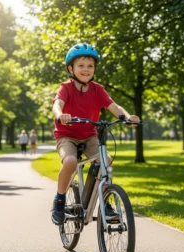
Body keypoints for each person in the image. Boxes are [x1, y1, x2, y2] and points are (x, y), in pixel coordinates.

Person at [51, 42, 140, 225]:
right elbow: (57, 104)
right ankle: (59, 201)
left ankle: (104, 202)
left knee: (105, 161)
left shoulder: (97, 89)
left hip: (89, 134)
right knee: (70, 161)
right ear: (71, 68)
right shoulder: (66, 87)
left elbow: (114, 106)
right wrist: (60, 115)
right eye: (81, 65)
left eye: (90, 66)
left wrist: (127, 117)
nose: (86, 69)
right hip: (66, 135)